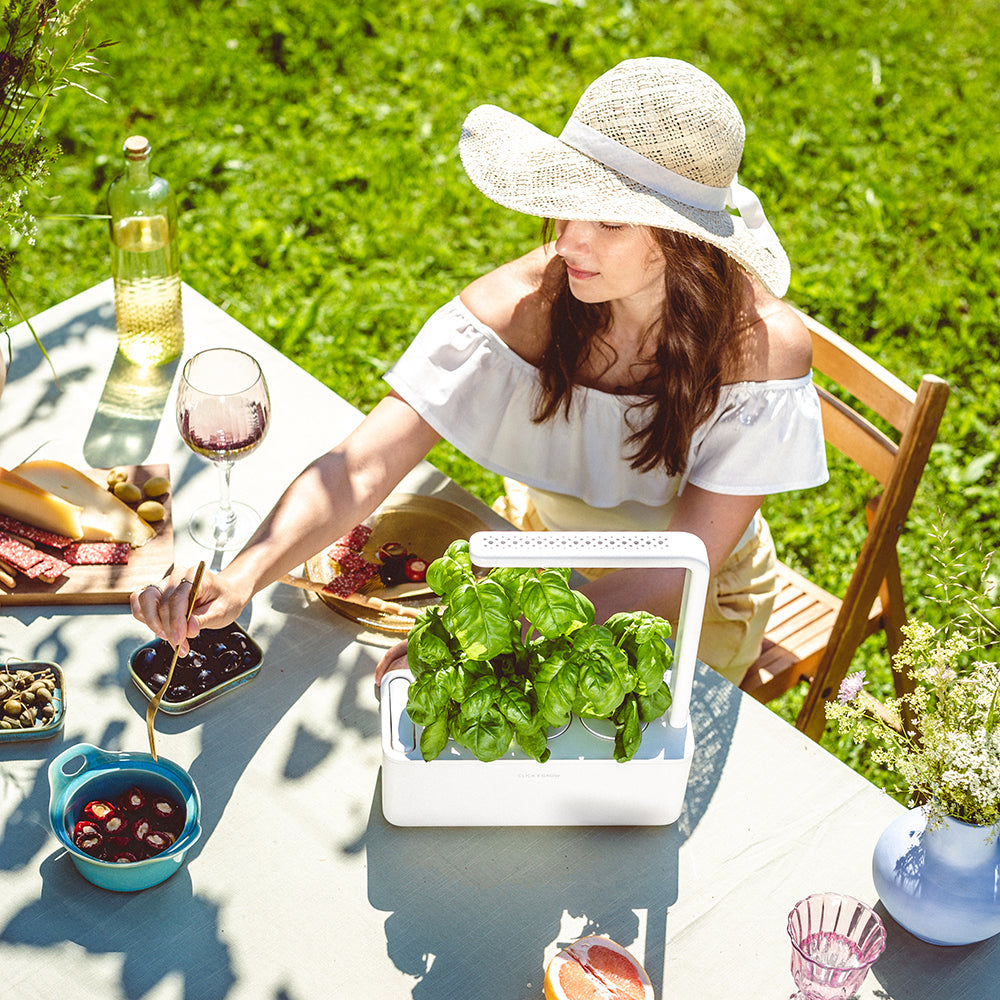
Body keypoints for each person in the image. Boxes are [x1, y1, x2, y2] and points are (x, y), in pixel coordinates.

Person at [132, 57, 827, 687]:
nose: (566, 237)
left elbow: (671, 571)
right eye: (568, 199)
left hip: (689, 606)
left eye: (611, 222)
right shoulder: (523, 307)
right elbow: (361, 467)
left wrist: (492, 642)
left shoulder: (758, 349)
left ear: (685, 243)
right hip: (536, 560)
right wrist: (245, 574)